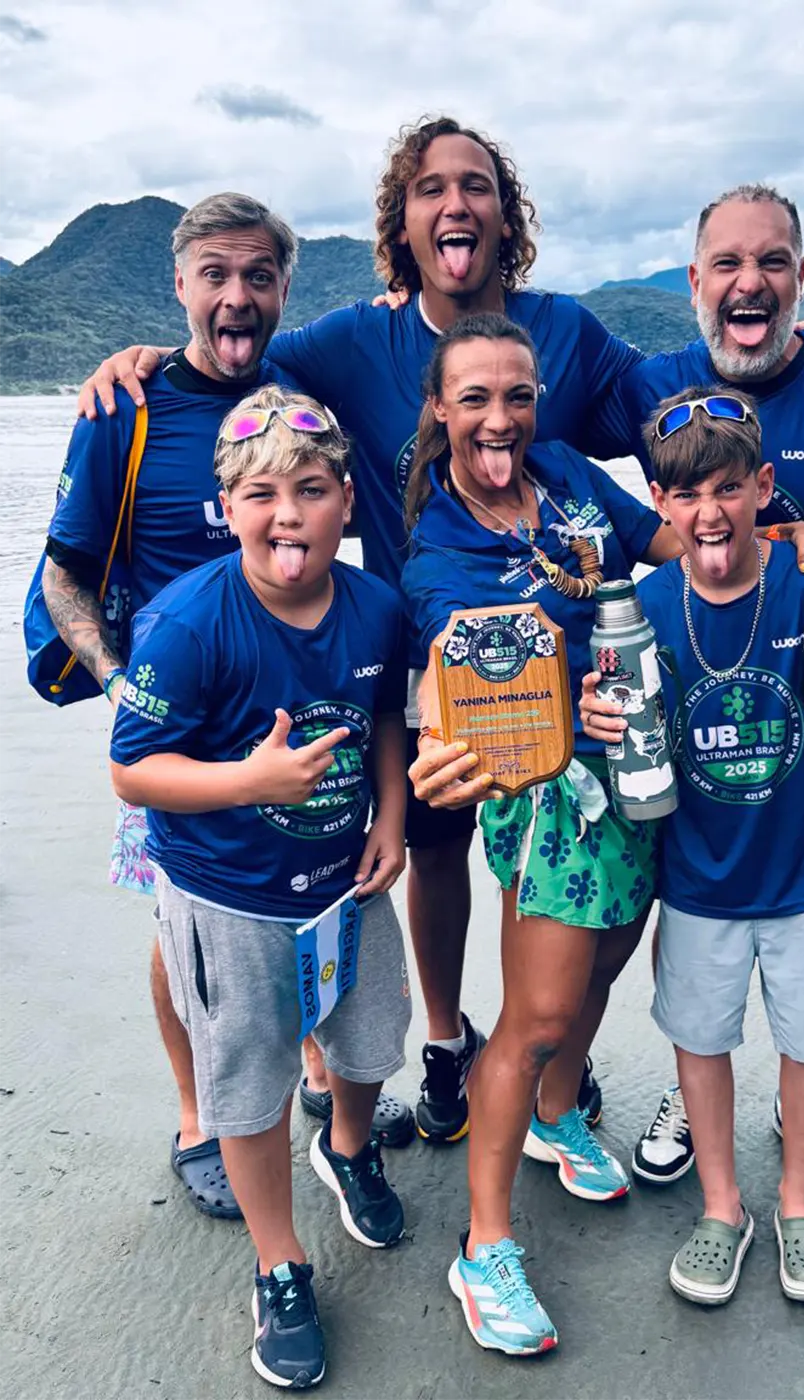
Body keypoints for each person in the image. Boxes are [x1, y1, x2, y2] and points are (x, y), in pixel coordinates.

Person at [77, 121, 804, 1148]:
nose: (457, 204)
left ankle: (543, 1068)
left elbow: (677, 411)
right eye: (431, 188)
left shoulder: (564, 336)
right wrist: (146, 361)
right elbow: (238, 365)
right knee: (425, 861)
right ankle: (446, 1042)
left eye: (477, 186)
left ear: (503, 212)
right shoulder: (351, 338)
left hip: (588, 706)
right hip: (415, 675)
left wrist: (788, 368)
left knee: (597, 907)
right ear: (402, 220)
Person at [38, 194, 418, 1231]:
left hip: (311, 712)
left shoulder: (299, 395)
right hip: (179, 726)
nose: (235, 295)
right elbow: (65, 573)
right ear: (180, 285)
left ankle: (308, 1071)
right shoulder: (129, 405)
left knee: (310, 916)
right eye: (215, 274)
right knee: (187, 935)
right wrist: (124, 685)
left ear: (284, 289)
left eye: (257, 276)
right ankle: (198, 1114)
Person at [588, 184, 804, 1197]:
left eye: (774, 262)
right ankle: (691, 1090)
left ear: (800, 275)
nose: (751, 282)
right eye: (729, 265)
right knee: (696, 913)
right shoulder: (653, 380)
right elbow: (520, 411)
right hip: (693, 720)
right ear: (694, 281)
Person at [109, 386, 410, 1389]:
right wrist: (249, 780)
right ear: (229, 505)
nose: (290, 514)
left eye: (314, 489)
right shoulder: (192, 621)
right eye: (265, 492)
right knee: (248, 1082)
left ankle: (351, 1147)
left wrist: (395, 816)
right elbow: (131, 767)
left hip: (347, 883)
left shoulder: (375, 604)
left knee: (369, 1043)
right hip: (228, 899)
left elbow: (382, 721)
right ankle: (280, 1261)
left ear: (346, 502)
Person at [402, 312, 686, 1355]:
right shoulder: (440, 547)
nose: (499, 417)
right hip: (551, 796)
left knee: (608, 963)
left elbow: (664, 538)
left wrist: (771, 532)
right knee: (536, 1013)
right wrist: (446, 734)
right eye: (473, 396)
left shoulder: (567, 470)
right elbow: (455, 679)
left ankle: (560, 1119)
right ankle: (484, 1246)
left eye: (516, 394)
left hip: (645, 762)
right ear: (440, 407)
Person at [582, 387, 804, 1305]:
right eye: (684, 497)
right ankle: (723, 1207)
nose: (708, 514)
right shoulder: (637, 610)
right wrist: (594, 719)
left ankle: (796, 1202)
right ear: (658, 499)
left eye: (727, 488)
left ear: (764, 485)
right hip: (697, 880)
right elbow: (610, 732)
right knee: (700, 1041)